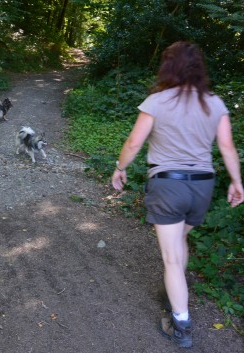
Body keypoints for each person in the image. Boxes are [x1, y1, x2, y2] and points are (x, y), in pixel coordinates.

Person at [111, 41, 244, 348]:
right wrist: (236, 181)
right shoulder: (214, 103)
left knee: (171, 259)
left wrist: (120, 167)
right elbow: (226, 147)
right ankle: (174, 289)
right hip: (202, 185)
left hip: (168, 184)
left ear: (168, 66)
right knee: (180, 241)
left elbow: (134, 142)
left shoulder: (157, 101)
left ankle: (181, 324)